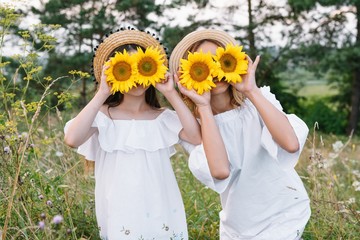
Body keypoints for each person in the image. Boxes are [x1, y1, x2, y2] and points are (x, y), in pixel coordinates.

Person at [169, 29, 310, 240]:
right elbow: (220, 171)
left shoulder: (257, 103)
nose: (215, 70)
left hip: (284, 214)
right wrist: (204, 107)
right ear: (189, 73)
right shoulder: (194, 128)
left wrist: (251, 90)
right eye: (205, 65)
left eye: (221, 60)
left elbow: (290, 144)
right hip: (239, 227)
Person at [64, 29, 201, 240]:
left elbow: (196, 137)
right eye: (128, 69)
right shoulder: (103, 116)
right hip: (120, 211)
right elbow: (72, 139)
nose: (137, 76)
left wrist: (171, 93)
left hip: (161, 208)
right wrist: (102, 93)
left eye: (143, 67)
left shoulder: (163, 118)